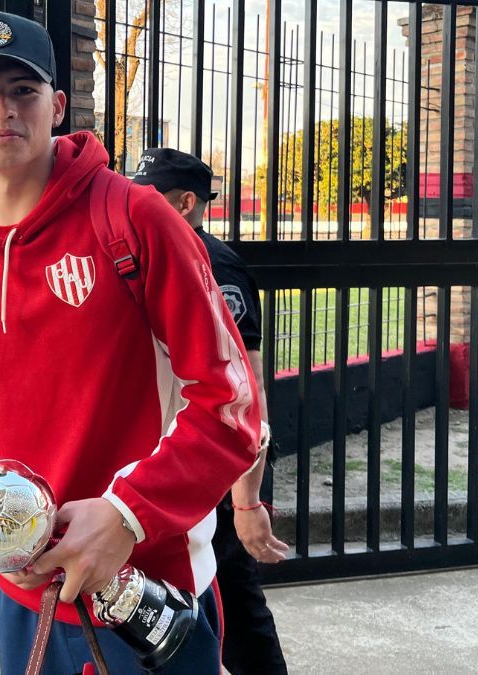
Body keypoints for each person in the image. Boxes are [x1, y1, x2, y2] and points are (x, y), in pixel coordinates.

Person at [0, 11, 264, 673]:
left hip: (145, 585)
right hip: (25, 589)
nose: (2, 110)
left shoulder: (134, 219)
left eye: (23, 89)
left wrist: (126, 512)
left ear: (58, 104)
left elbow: (230, 405)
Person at [133, 148, 289, 674]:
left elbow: (247, 385)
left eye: (149, 195)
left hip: (220, 463)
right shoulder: (154, 253)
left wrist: (245, 501)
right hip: (178, 456)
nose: (134, 203)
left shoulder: (212, 263)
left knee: (235, 601)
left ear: (186, 202)